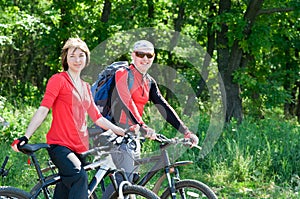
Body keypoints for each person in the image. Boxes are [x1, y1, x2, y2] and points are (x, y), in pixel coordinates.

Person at [11, 38, 125, 199]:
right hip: (60, 146)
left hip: (81, 147)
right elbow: (43, 109)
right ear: (65, 58)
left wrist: (119, 130)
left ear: (86, 58)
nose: (77, 60)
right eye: (72, 56)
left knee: (66, 191)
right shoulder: (58, 80)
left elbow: (97, 118)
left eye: (81, 55)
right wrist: (26, 136)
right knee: (79, 177)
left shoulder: (85, 86)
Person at [101, 40, 199, 197]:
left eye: (149, 55)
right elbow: (125, 102)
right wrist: (142, 125)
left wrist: (186, 132)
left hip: (132, 134)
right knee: (123, 182)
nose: (145, 58)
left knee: (132, 180)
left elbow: (164, 106)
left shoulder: (149, 81)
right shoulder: (122, 74)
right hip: (113, 131)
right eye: (141, 54)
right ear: (133, 55)